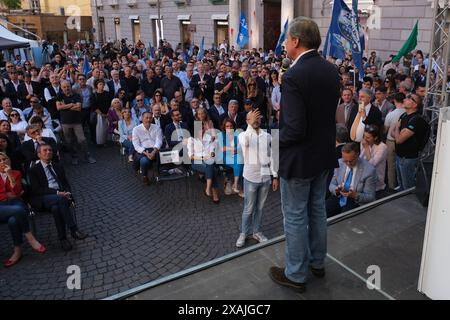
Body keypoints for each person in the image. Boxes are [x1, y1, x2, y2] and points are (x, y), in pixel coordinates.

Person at [269, 17, 341, 293]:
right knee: (317, 210)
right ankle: (317, 263)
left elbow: (295, 129)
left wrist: (273, 140)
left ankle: (296, 274)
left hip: (298, 160)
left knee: (296, 216)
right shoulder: (332, 71)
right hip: (323, 154)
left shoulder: (294, 77)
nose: (285, 44)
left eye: (286, 39)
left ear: (296, 40)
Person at [28, 144, 88, 252]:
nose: (48, 152)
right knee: (61, 199)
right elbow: (37, 190)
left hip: (60, 198)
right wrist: (57, 193)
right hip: (43, 198)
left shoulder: (58, 166)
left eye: (50, 150)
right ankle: (73, 229)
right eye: (45, 150)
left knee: (56, 208)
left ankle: (63, 239)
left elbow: (65, 183)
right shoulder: (34, 170)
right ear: (39, 155)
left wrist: (68, 193)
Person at [236, 109, 278, 247]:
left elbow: (273, 156)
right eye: (253, 118)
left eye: (258, 118)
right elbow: (246, 143)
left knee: (260, 208)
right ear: (247, 121)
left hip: (265, 178)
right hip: (250, 178)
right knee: (248, 208)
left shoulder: (267, 136)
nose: (256, 120)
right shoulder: (243, 135)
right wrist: (251, 124)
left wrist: (275, 176)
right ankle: (243, 233)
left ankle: (257, 231)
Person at [0, 152, 46, 267]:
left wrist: (9, 175)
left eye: (4, 159)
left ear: (8, 160)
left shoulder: (16, 173)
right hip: (1, 206)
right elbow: (10, 194)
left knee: (13, 220)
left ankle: (17, 251)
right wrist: (7, 195)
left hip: (15, 202)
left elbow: (16, 192)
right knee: (18, 211)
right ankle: (30, 237)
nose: (2, 162)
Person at [326, 142, 377, 217]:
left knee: (344, 218)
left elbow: (371, 197)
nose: (348, 163)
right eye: (345, 161)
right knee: (322, 211)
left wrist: (355, 195)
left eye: (351, 161)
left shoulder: (369, 170)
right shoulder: (339, 163)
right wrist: (337, 190)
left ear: (357, 155)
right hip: (339, 196)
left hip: (355, 201)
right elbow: (331, 184)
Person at [392, 93, 428, 191]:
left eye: (409, 98)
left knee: (408, 188)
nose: (405, 99)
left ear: (415, 105)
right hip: (399, 155)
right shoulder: (404, 115)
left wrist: (397, 129)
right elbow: (392, 133)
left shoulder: (417, 120)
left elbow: (399, 140)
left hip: (408, 158)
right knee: (401, 185)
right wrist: (398, 131)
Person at [56, 80, 96, 165]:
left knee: (82, 140)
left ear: (70, 86)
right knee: (69, 141)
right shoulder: (59, 96)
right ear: (61, 88)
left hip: (77, 122)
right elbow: (58, 108)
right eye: (64, 87)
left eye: (68, 86)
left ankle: (87, 156)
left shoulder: (76, 95)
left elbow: (78, 108)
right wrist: (71, 105)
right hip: (65, 123)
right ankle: (74, 157)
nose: (66, 88)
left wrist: (64, 106)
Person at [187, 121, 220, 203]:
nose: (201, 130)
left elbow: (213, 150)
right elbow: (190, 156)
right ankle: (214, 192)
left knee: (210, 164)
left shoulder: (208, 138)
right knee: (213, 170)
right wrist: (202, 158)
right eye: (198, 129)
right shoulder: (191, 140)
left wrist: (211, 156)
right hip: (197, 161)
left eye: (202, 128)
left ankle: (208, 189)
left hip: (208, 160)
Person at [132, 111, 163, 185]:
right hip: (142, 150)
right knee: (144, 160)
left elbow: (159, 141)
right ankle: (144, 176)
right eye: (146, 118)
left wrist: (153, 151)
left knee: (157, 157)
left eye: (150, 118)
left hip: (154, 149)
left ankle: (157, 173)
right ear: (142, 119)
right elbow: (136, 145)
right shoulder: (136, 129)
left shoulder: (157, 127)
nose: (148, 120)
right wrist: (146, 153)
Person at [384, 93, 406, 190]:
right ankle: (403, 186)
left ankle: (392, 187)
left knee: (391, 166)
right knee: (402, 166)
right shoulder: (408, 112)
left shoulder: (391, 114)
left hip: (391, 141)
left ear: (394, 101)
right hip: (404, 142)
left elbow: (385, 129)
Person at [218, 118, 243, 196]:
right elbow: (222, 149)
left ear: (233, 126)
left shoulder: (237, 134)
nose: (229, 128)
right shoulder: (220, 135)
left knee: (239, 161)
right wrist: (234, 149)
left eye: (231, 126)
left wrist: (232, 149)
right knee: (240, 161)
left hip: (236, 156)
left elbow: (240, 147)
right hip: (225, 157)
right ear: (224, 127)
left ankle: (235, 185)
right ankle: (240, 188)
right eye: (227, 126)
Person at [360, 125, 388, 193]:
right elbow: (360, 159)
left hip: (376, 181)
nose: (365, 139)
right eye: (364, 136)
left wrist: (366, 148)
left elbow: (372, 165)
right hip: (363, 178)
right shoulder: (364, 143)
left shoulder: (382, 147)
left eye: (368, 137)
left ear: (375, 138)